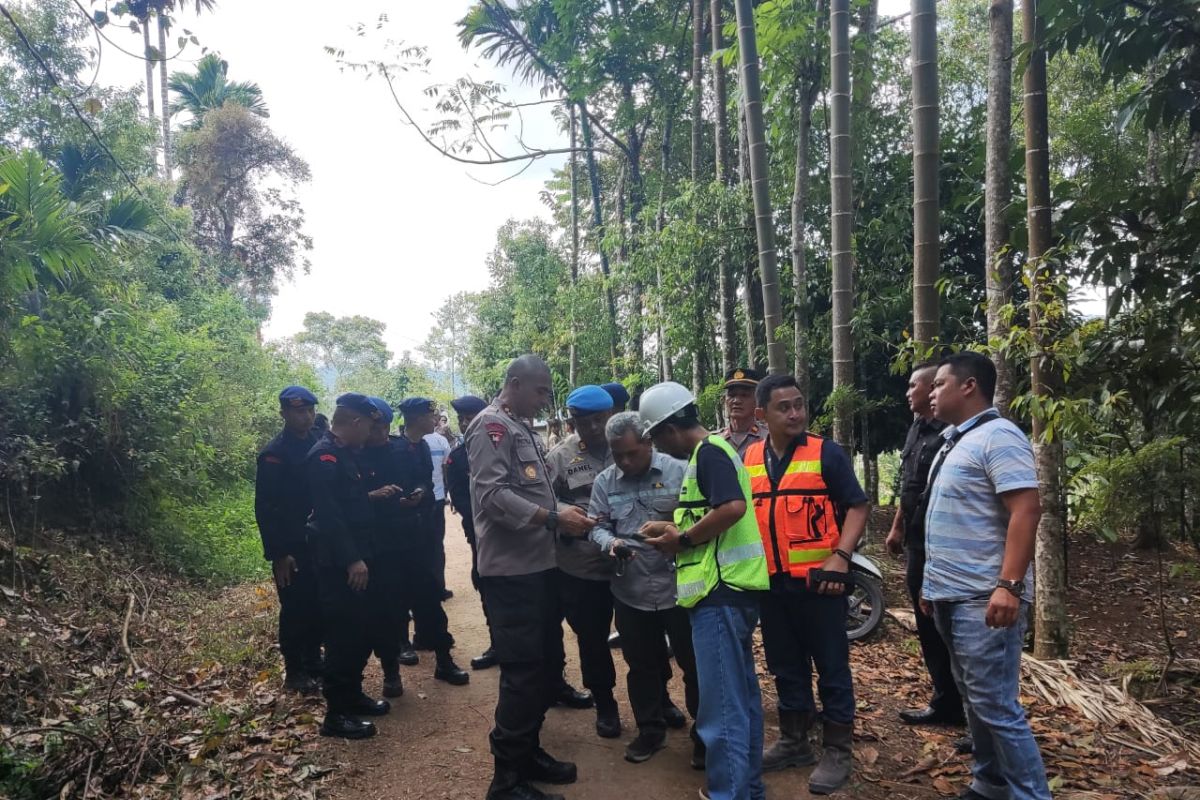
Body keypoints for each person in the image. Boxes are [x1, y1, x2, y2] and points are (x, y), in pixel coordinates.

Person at [922, 352, 1050, 800]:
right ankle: (989, 783)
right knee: (974, 699)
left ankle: (1031, 794)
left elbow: (1026, 509)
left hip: (984, 596)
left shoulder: (1000, 436)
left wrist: (1009, 585)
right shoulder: (956, 440)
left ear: (969, 386)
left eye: (938, 384)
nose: (931, 392)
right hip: (952, 594)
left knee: (996, 706)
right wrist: (931, 587)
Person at [468, 355, 596, 800]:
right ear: (516, 384)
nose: (546, 401)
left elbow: (531, 490)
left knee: (542, 665)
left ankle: (529, 752)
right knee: (522, 672)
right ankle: (506, 780)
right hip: (511, 572)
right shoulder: (491, 427)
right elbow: (493, 497)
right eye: (541, 392)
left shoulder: (521, 427)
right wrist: (552, 519)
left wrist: (562, 512)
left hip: (539, 565)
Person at [637, 381, 770, 800]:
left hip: (720, 593)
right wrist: (675, 529)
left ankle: (729, 793)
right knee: (742, 698)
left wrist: (683, 541)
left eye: (656, 437)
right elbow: (712, 513)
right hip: (730, 592)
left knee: (721, 708)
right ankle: (747, 788)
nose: (658, 448)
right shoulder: (709, 453)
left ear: (669, 428)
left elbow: (731, 508)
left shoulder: (709, 453)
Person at [744, 374, 869, 794]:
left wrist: (842, 555)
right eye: (784, 407)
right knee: (784, 666)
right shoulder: (748, 460)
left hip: (821, 586)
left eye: (799, 404)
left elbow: (857, 505)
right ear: (762, 415)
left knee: (832, 667)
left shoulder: (825, 454)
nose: (795, 413)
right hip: (772, 589)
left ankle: (838, 750)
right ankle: (794, 740)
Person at [588, 411, 698, 765]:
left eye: (631, 453)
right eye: (617, 454)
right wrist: (610, 544)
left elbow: (698, 521)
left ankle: (705, 735)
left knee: (694, 665)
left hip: (680, 589)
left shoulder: (679, 471)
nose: (624, 461)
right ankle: (650, 730)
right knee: (641, 665)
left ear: (648, 442)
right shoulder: (606, 481)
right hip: (631, 591)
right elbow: (597, 526)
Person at [361, 397, 468, 697]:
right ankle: (391, 671)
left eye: (383, 427)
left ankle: (444, 660)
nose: (380, 433)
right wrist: (376, 496)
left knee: (430, 598)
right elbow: (350, 497)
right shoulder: (358, 455)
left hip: (415, 536)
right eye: (375, 428)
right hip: (382, 543)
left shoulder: (412, 447)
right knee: (389, 606)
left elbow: (423, 478)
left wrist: (419, 492)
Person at [884, 365, 967, 733]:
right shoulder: (917, 427)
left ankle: (974, 717)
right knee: (928, 627)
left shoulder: (954, 434)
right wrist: (898, 526)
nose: (910, 392)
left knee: (955, 632)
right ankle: (945, 702)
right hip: (918, 543)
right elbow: (911, 483)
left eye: (914, 385)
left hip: (946, 546)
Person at [306, 393, 390, 739]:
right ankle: (336, 714)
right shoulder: (323, 457)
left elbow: (353, 507)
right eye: (368, 426)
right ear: (355, 422)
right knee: (342, 635)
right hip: (339, 563)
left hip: (357, 556)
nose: (370, 433)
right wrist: (352, 559)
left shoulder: (345, 455)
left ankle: (352, 696)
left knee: (361, 630)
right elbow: (330, 515)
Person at [546, 385, 620, 738]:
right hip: (583, 566)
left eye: (598, 420)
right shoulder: (560, 457)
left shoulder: (630, 444)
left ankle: (657, 701)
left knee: (643, 640)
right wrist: (564, 513)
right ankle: (605, 704)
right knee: (592, 639)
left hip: (631, 564)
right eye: (581, 422)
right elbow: (544, 501)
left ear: (610, 416)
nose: (591, 428)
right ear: (571, 420)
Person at [254, 385, 322, 694]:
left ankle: (313, 663)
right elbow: (266, 507)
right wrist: (279, 552)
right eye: (298, 411)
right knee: (295, 609)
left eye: (309, 410)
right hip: (291, 546)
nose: (305, 416)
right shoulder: (274, 454)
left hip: (318, 542)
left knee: (318, 605)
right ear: (284, 413)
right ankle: (295, 672)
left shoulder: (317, 443)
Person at [446, 394, 498, 671]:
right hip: (480, 535)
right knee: (485, 582)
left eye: (470, 418)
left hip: (513, 535)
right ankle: (497, 643)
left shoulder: (502, 446)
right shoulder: (457, 457)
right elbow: (460, 499)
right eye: (461, 419)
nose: (465, 423)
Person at [419, 401, 454, 600]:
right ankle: (438, 587)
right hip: (436, 498)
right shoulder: (440, 441)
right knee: (435, 545)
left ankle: (429, 589)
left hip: (429, 500)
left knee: (425, 545)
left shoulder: (410, 441)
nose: (434, 420)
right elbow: (446, 468)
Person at [720, 368, 766, 460]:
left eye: (744, 395)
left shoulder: (768, 438)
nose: (736, 401)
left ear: (757, 400)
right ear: (725, 400)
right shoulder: (715, 441)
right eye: (732, 395)